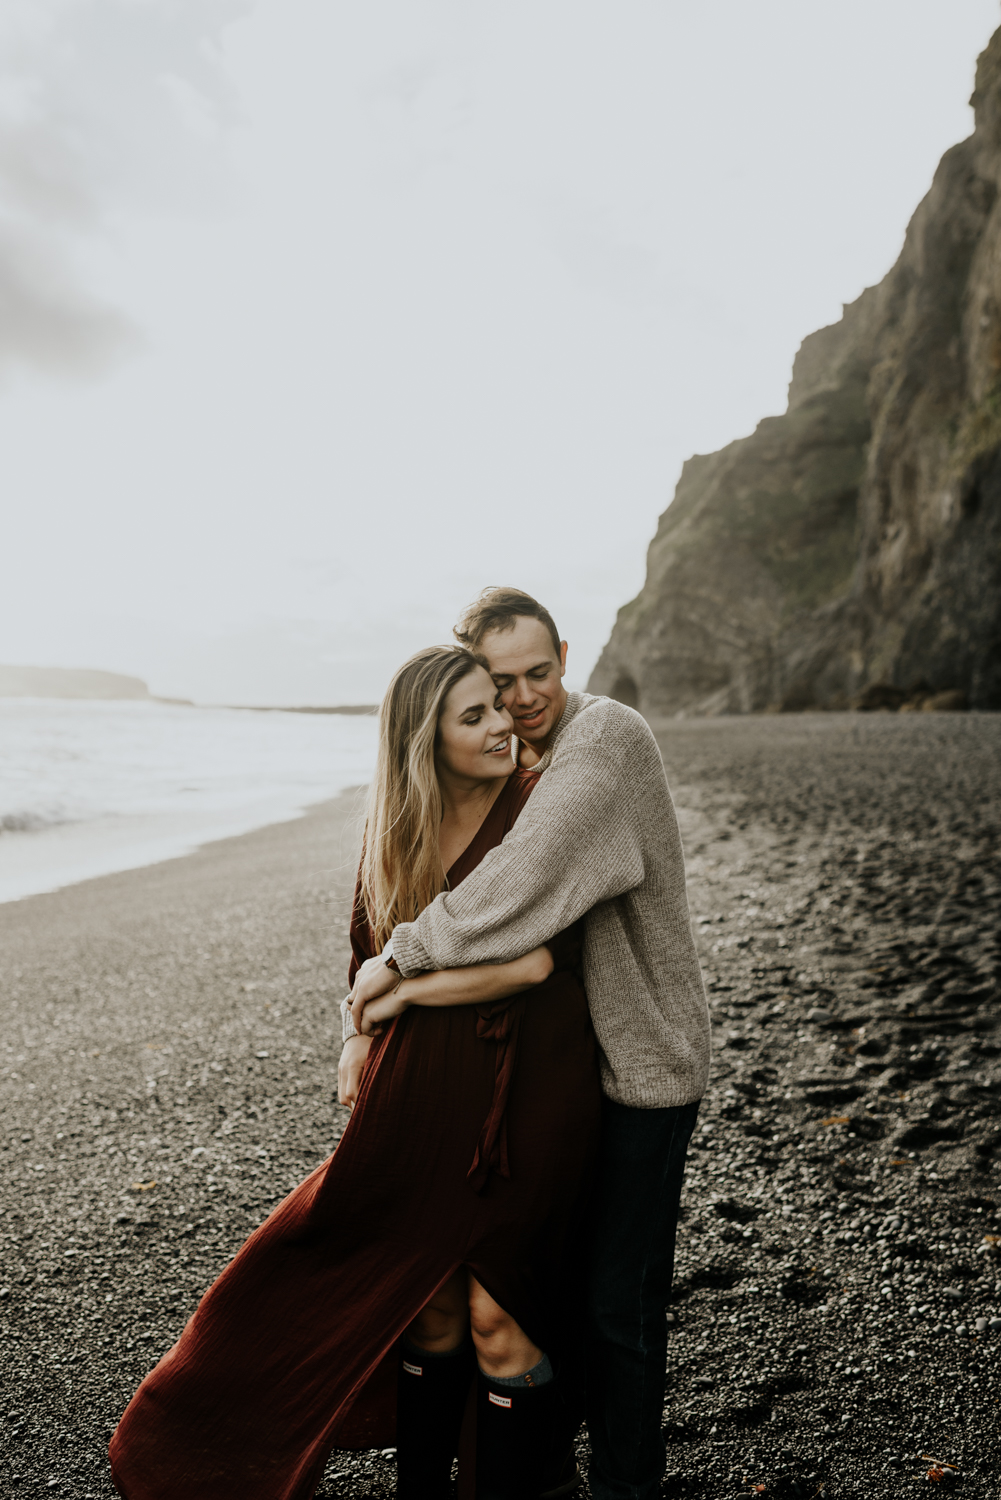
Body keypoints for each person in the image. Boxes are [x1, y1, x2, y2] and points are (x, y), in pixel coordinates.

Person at [110, 645, 601, 1500]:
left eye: (498, 704)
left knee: (499, 1313)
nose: (502, 724)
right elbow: (365, 958)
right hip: (414, 1100)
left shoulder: (534, 810)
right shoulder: (395, 833)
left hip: (526, 1091)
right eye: (474, 714)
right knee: (431, 1305)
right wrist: (352, 1035)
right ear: (424, 740)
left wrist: (401, 996)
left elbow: (534, 965)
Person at [350, 588, 712, 1500]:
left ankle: (625, 1488)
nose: (520, 700)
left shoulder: (604, 741)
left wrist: (396, 962)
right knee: (550, 1302)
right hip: (571, 1076)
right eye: (497, 685)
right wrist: (353, 1026)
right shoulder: (520, 764)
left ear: (564, 653)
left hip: (643, 1066)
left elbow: (523, 884)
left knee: (615, 1312)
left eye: (537, 673)